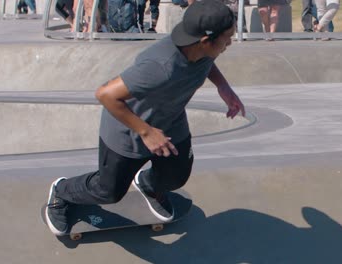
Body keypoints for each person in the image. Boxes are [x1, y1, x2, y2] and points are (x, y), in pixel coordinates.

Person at [45, 0, 245, 236]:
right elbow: (106, 95)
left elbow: (207, 62)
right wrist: (147, 132)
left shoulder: (202, 49)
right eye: (227, 38)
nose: (230, 43)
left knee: (176, 175)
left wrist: (224, 87)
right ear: (204, 41)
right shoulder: (160, 66)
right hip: (128, 130)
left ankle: (148, 185)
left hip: (171, 122)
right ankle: (62, 191)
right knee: (108, 192)